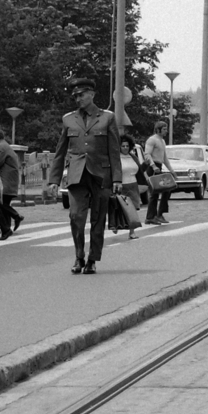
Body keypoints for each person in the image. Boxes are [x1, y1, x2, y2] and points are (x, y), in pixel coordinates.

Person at [47, 74, 122, 273]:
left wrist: (117, 178)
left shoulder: (107, 117)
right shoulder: (69, 119)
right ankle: (79, 256)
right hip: (76, 175)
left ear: (91, 94)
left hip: (101, 175)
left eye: (81, 95)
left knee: (98, 219)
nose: (77, 99)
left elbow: (114, 151)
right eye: (75, 96)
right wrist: (54, 180)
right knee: (76, 216)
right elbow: (60, 151)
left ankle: (92, 259)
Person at [0, 128, 25, 235]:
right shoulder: (6, 146)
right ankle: (7, 228)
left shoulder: (0, 147)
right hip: (11, 181)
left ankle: (16, 216)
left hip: (5, 182)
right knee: (4, 204)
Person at [143, 119, 172, 225]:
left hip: (159, 166)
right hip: (152, 167)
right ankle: (150, 217)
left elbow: (164, 158)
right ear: (158, 130)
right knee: (154, 193)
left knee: (166, 189)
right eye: (164, 129)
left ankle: (159, 214)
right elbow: (147, 154)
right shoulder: (152, 140)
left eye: (166, 129)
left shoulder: (162, 141)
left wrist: (171, 170)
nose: (166, 131)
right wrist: (153, 165)